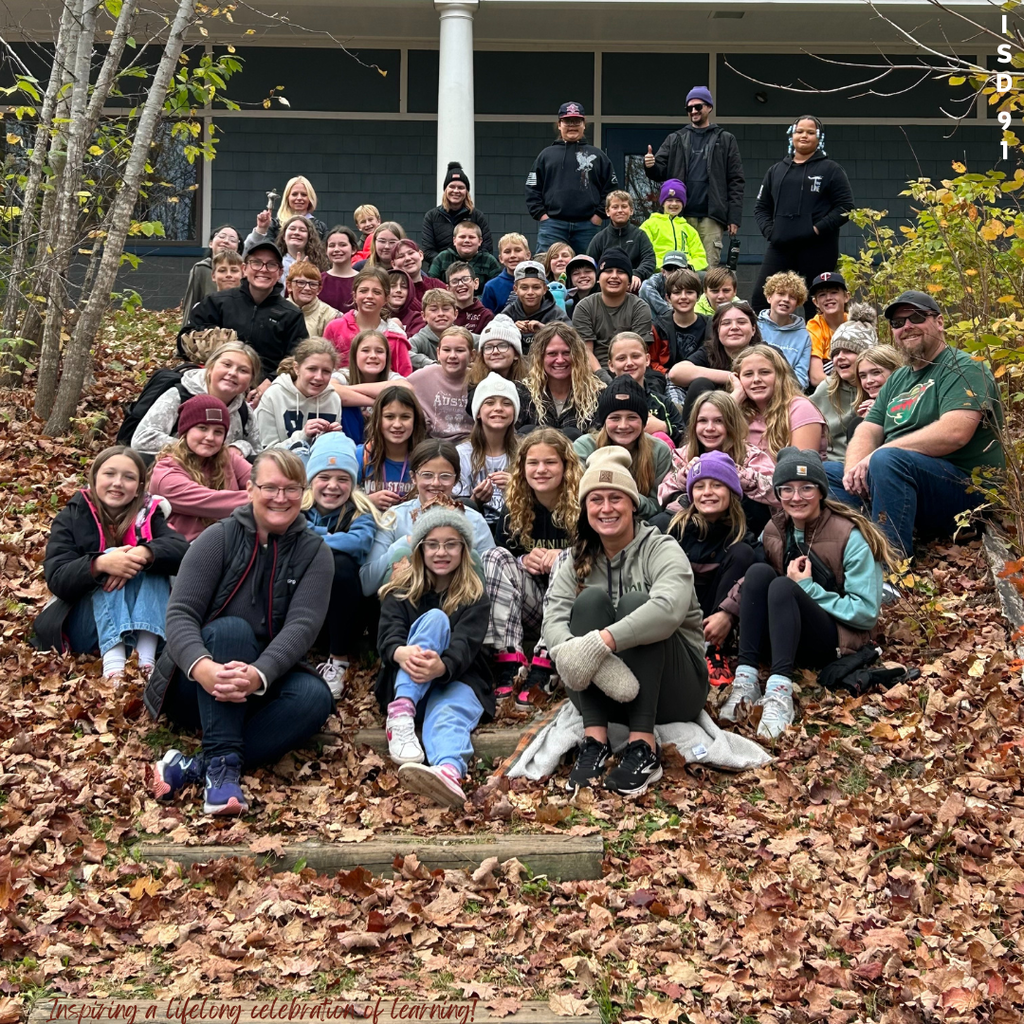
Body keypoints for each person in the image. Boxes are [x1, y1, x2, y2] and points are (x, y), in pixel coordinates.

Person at [147, 449, 334, 816]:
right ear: (249, 490)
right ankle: (222, 772)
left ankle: (202, 765)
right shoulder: (218, 538)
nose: (281, 498)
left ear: (303, 493)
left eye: (291, 489)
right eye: (270, 487)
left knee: (315, 697)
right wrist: (202, 667)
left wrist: (260, 674)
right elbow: (181, 613)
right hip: (197, 683)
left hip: (262, 682)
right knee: (232, 631)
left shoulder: (315, 552)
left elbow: (302, 625)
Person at [545, 446, 709, 796]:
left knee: (639, 604)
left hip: (673, 691)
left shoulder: (661, 548)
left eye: (616, 498)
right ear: (585, 508)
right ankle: (594, 740)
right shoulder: (575, 559)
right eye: (596, 499)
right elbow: (554, 620)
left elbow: (667, 610)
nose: (606, 508)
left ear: (633, 503)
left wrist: (600, 642)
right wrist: (584, 656)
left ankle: (643, 746)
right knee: (588, 601)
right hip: (601, 694)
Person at [721, 448, 894, 739]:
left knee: (783, 585)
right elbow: (754, 584)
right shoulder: (775, 528)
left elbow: (865, 613)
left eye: (806, 488)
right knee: (759, 573)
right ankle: (746, 679)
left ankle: (779, 694)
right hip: (782, 635)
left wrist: (807, 588)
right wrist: (727, 611)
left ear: (821, 492)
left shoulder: (849, 536)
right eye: (786, 489)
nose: (795, 497)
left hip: (834, 641)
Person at [827, 291, 1005, 557]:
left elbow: (954, 433)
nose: (906, 326)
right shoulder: (899, 378)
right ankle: (850, 550)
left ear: (940, 322)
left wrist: (877, 455)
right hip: (903, 483)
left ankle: (892, 566)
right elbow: (867, 429)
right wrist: (853, 469)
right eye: (898, 323)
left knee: (887, 460)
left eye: (917, 317)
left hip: (967, 493)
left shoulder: (964, 368)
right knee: (822, 473)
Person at [377, 505, 493, 808]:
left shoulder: (474, 594)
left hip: (458, 677)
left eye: (451, 544)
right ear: (419, 549)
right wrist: (401, 652)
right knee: (435, 620)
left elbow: (467, 643)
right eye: (432, 544)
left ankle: (448, 771)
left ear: (464, 549)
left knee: (449, 715)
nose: (442, 552)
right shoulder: (399, 591)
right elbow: (388, 636)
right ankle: (400, 714)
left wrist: (443, 666)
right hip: (407, 682)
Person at [36, 446, 189, 676]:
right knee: (110, 555)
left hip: (144, 625)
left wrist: (142, 554)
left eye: (128, 477)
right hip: (87, 626)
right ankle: (114, 665)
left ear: (138, 489)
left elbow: (182, 551)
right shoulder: (72, 515)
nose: (118, 482)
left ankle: (145, 660)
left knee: (154, 557)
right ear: (95, 477)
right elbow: (57, 578)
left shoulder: (149, 515)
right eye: (109, 474)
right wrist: (100, 565)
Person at [483, 429, 581, 705]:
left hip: (574, 610)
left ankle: (545, 664)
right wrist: (523, 561)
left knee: (566, 558)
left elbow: (600, 561)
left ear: (565, 466)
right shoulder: (515, 507)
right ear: (522, 467)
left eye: (550, 462)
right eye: (533, 463)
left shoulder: (584, 505)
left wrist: (563, 554)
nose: (541, 470)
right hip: (531, 605)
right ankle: (509, 661)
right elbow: (505, 566)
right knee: (494, 556)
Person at [360, 440, 496, 596]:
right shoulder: (395, 517)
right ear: (413, 477)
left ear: (456, 479)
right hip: (407, 608)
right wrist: (406, 542)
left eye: (445, 476)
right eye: (427, 475)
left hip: (459, 606)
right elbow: (367, 583)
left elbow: (491, 580)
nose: (436, 483)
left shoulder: (474, 521)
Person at [667, 451, 756, 687]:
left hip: (714, 616)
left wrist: (728, 613)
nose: (707, 492)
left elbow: (760, 576)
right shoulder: (671, 528)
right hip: (676, 611)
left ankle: (714, 650)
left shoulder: (741, 535)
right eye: (699, 486)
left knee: (743, 554)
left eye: (717, 485)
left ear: (731, 492)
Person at [303, 433, 380, 697]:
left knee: (342, 563)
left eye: (342, 479)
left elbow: (358, 544)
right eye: (324, 477)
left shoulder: (360, 512)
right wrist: (332, 538)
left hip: (343, 612)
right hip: (301, 603)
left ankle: (338, 659)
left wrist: (310, 537)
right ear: (311, 479)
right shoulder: (295, 508)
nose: (332, 486)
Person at [751, 116, 854, 315]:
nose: (804, 136)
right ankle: (763, 346)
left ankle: (819, 346)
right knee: (760, 300)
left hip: (818, 248)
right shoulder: (776, 171)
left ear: (819, 138)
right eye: (799, 131)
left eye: (810, 132)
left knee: (816, 306)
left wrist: (816, 228)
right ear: (792, 135)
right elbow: (761, 207)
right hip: (780, 247)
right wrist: (771, 232)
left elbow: (845, 208)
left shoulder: (831, 170)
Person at [179, 240, 308, 388]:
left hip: (267, 391)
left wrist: (271, 382)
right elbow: (184, 341)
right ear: (244, 269)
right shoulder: (216, 303)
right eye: (256, 263)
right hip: (216, 384)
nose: (263, 269)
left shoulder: (291, 314)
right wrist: (204, 343)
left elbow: (298, 358)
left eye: (271, 264)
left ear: (280, 273)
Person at [644, 86, 745, 267]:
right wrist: (649, 165)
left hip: (712, 217)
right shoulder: (675, 138)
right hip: (681, 216)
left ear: (709, 108)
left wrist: (734, 217)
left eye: (697, 106)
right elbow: (658, 172)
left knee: (708, 269)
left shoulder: (726, 139)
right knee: (680, 269)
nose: (693, 111)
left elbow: (736, 180)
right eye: (689, 108)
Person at [658, 390, 777, 538]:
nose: (709, 428)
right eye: (702, 421)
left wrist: (731, 473)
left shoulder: (751, 455)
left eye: (719, 421)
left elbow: (776, 492)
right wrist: (685, 476)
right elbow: (661, 496)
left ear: (731, 424)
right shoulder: (683, 455)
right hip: (693, 530)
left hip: (738, 530)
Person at [132, 341, 262, 461]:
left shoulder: (244, 411)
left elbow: (256, 453)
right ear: (210, 367)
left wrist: (241, 446)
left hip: (220, 481)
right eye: (226, 365)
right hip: (173, 474)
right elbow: (142, 439)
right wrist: (201, 449)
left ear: (251, 381)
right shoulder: (179, 396)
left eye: (243, 370)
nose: (233, 373)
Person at [150, 396, 253, 542]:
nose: (210, 437)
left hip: (231, 542)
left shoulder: (228, 458)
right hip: (185, 550)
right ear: (186, 431)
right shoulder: (165, 473)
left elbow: (261, 480)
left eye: (218, 432)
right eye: (202, 428)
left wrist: (276, 490)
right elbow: (213, 503)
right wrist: (266, 497)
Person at [573, 375, 673, 521]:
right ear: (604, 422)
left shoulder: (659, 450)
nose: (623, 425)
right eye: (615, 418)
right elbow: (577, 498)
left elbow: (657, 506)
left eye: (632, 417)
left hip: (640, 523)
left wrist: (624, 494)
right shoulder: (585, 447)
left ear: (644, 422)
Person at [525, 102, 617, 253]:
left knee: (588, 270)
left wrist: (598, 216)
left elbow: (611, 190)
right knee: (547, 269)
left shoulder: (598, 156)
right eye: (567, 121)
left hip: (587, 226)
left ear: (584, 124)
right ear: (559, 125)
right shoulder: (546, 155)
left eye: (577, 121)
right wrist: (541, 215)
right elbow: (532, 188)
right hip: (552, 226)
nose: (572, 125)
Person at [668, 300, 762, 424]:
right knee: (700, 384)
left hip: (760, 421)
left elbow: (791, 389)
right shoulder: (709, 352)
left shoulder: (767, 354)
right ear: (717, 331)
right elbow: (676, 373)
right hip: (713, 427)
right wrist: (732, 377)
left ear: (753, 329)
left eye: (741, 322)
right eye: (726, 323)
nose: (734, 327)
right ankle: (691, 439)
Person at [733, 344, 827, 459]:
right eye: (748, 374)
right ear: (737, 379)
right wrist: (735, 398)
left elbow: (801, 467)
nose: (756, 379)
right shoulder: (738, 411)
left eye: (765, 372)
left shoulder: (800, 408)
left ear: (780, 375)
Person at [810, 304, 878, 461]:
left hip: (866, 461)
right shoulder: (827, 387)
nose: (839, 357)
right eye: (835, 353)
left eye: (848, 351)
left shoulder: (881, 387)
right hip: (829, 462)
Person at [572, 248, 653, 370]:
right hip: (594, 372)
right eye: (608, 271)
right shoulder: (585, 307)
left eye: (620, 271)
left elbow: (637, 352)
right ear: (599, 278)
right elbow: (586, 353)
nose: (614, 276)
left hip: (630, 369)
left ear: (629, 280)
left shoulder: (640, 308)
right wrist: (603, 380)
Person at [255, 338, 342, 449]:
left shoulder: (333, 399)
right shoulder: (273, 396)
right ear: (297, 368)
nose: (319, 377)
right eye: (312, 369)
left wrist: (335, 437)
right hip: (282, 465)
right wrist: (303, 436)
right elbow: (265, 451)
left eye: (326, 371)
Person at [323, 267, 413, 376]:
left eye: (377, 292)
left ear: (386, 299)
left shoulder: (396, 337)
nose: (369, 296)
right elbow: (323, 368)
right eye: (363, 291)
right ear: (354, 296)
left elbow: (404, 378)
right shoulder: (335, 327)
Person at [522, 323, 605, 440]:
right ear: (540, 357)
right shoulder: (523, 392)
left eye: (566, 353)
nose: (560, 360)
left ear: (578, 355)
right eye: (552, 354)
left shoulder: (598, 394)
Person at [455, 373, 520, 519]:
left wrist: (517, 487)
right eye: (490, 403)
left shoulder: (526, 452)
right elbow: (458, 508)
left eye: (507, 403)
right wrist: (476, 500)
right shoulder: (461, 454)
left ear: (514, 412)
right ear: (478, 413)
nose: (498, 408)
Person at [607, 332, 686, 447]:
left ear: (647, 359)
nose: (629, 363)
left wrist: (664, 427)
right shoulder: (602, 402)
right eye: (621, 358)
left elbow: (685, 438)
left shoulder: (662, 403)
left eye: (635, 356)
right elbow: (594, 435)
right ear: (611, 365)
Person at [331, 329, 410, 444]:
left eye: (379, 351)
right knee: (346, 408)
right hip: (349, 441)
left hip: (385, 442)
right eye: (365, 350)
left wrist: (348, 391)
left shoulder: (391, 377)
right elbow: (331, 389)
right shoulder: (345, 375)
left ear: (387, 357)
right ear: (354, 355)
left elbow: (407, 388)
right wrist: (375, 403)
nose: (373, 356)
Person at [357, 386, 427, 511]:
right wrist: (368, 501)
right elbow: (341, 500)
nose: (397, 424)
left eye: (405, 417)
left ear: (415, 420)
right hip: (370, 526)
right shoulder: (361, 456)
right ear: (378, 419)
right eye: (389, 417)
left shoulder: (426, 459)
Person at [407, 326, 475, 442]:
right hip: (432, 442)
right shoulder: (424, 376)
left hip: (469, 442)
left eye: (460, 350)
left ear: (472, 355)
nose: (452, 356)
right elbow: (393, 390)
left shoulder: (479, 380)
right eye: (446, 350)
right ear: (438, 353)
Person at [466, 315, 533, 431]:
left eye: (502, 346)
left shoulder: (530, 388)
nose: (495, 352)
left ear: (516, 354)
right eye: (488, 347)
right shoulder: (472, 384)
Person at [421, 162, 494, 262]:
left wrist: (467, 267)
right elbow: (428, 251)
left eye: (461, 187)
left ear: (466, 192)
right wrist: (448, 266)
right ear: (445, 190)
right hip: (440, 272)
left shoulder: (477, 216)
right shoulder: (431, 216)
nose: (456, 191)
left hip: (472, 272)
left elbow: (486, 248)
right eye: (452, 186)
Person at [586, 190, 656, 292]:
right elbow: (591, 264)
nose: (620, 210)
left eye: (624, 206)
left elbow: (649, 259)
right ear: (607, 211)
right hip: (605, 289)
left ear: (631, 210)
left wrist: (637, 274)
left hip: (634, 287)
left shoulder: (640, 235)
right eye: (615, 207)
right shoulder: (599, 238)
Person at [757, 271, 812, 389]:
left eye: (792, 297)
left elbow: (801, 378)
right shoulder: (754, 326)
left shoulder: (804, 336)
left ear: (797, 303)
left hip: (786, 394)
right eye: (781, 294)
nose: (786, 299)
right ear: (769, 297)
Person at [650, 268, 711, 375]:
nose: (683, 297)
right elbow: (651, 361)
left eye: (689, 292)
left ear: (698, 296)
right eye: (677, 292)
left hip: (702, 378)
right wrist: (668, 374)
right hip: (667, 379)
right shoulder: (659, 326)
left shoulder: (710, 325)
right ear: (668, 298)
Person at [501, 260, 570, 353]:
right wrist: (511, 330)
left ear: (545, 289)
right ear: (515, 289)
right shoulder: (508, 314)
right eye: (524, 288)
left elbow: (574, 340)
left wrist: (545, 329)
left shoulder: (556, 314)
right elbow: (492, 340)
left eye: (536, 287)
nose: (530, 292)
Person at [638, 181, 708, 273]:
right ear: (662, 203)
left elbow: (700, 257)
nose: (674, 204)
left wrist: (688, 267)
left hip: (685, 274)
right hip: (659, 273)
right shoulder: (649, 225)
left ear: (683, 204)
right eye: (669, 200)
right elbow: (643, 253)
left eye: (678, 200)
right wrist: (664, 267)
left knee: (706, 278)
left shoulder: (689, 229)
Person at [180, 225, 242, 327]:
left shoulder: (244, 272)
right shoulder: (201, 269)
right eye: (221, 236)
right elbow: (191, 303)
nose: (226, 241)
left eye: (232, 239)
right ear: (210, 243)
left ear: (238, 250)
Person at [249, 176, 328, 249]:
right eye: (294, 194)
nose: (299, 198)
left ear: (310, 198)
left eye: (304, 194)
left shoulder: (320, 228)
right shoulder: (275, 225)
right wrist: (261, 229)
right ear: (287, 198)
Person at [806, 272, 850, 386]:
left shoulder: (856, 323)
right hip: (830, 386)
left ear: (846, 297)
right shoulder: (814, 326)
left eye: (834, 292)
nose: (828, 298)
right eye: (822, 294)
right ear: (815, 302)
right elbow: (816, 377)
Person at [429, 221, 501, 291]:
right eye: (462, 237)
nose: (466, 240)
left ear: (480, 241)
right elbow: (431, 285)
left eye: (471, 237)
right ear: (454, 241)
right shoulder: (442, 258)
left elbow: (496, 288)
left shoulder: (489, 261)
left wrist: (473, 300)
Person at [850, 343, 904, 433]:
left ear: (895, 372)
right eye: (863, 376)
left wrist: (880, 415)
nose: (869, 381)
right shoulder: (862, 413)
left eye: (876, 372)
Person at [285, 261, 342, 337]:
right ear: (289, 286)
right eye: (301, 283)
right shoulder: (277, 310)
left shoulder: (330, 315)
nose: (307, 288)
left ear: (319, 289)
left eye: (313, 284)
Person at [263, 215, 328, 279]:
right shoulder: (274, 263)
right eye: (292, 229)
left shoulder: (320, 265)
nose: (296, 233)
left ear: (309, 237)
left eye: (302, 230)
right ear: (283, 236)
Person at [481, 233, 530, 313]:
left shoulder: (540, 283)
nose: (512, 255)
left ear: (528, 255)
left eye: (518, 250)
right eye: (507, 252)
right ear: (500, 258)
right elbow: (486, 319)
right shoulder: (491, 287)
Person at [410, 289, 458, 369]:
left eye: (446, 309)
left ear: (455, 314)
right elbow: (405, 352)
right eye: (433, 310)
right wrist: (431, 364)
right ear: (423, 315)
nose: (440, 314)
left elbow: (483, 342)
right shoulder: (420, 339)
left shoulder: (464, 336)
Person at [638, 249, 691, 321]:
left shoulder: (693, 281)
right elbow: (645, 288)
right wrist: (668, 312)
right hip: (661, 320)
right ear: (663, 271)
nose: (673, 272)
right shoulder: (656, 280)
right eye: (669, 268)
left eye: (678, 268)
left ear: (686, 270)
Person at [391, 239, 446, 307]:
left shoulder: (437, 285)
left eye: (411, 253)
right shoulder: (389, 290)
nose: (407, 258)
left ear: (421, 255)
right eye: (401, 256)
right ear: (393, 264)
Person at [319, 226, 359, 313]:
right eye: (332, 245)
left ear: (353, 249)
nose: (336, 249)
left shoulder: (363, 280)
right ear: (326, 250)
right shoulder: (319, 280)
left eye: (343, 245)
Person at [447, 262, 494, 334]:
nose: (460, 284)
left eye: (465, 279)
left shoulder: (486, 316)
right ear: (448, 289)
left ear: (476, 283)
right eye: (454, 281)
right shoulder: (444, 315)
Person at [386, 268, 426, 337]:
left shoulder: (417, 319)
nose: (398, 290)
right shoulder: (374, 316)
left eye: (404, 287)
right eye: (392, 286)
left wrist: (398, 330)